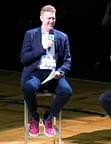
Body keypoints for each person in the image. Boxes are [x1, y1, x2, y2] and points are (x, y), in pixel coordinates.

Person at [20, 5, 72, 137]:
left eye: (53, 18)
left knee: (66, 91)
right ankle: (35, 118)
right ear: (41, 18)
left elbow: (67, 61)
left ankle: (48, 118)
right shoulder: (31, 35)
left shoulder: (62, 37)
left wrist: (61, 71)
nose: (51, 21)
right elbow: (24, 59)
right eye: (49, 18)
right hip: (36, 72)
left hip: (53, 74)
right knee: (28, 88)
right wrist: (42, 48)